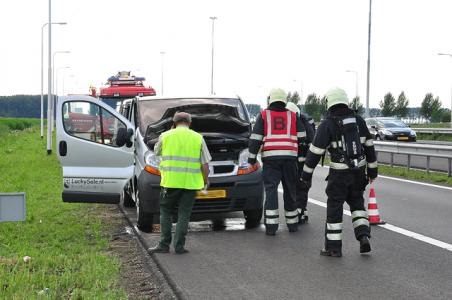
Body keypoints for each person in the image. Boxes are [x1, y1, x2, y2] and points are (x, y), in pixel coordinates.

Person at [300, 87, 378, 257]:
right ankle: (363, 235)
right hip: (358, 172)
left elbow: (315, 152)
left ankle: (333, 248)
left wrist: (305, 175)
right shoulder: (359, 121)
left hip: (339, 175)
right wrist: (372, 172)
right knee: (358, 205)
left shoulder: (328, 123)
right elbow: (369, 147)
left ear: (329, 103)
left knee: (335, 208)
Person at [149, 112, 211, 254]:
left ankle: (164, 245)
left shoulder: (165, 136)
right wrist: (206, 180)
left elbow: (156, 152)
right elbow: (205, 165)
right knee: (184, 214)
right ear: (190, 123)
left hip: (170, 182)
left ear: (174, 122)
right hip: (190, 184)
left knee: (166, 212)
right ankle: (179, 247)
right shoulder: (198, 138)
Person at [248, 88, 306, 235]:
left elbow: (255, 139)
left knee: (271, 191)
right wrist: (300, 159)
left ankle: (271, 227)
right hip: (290, 159)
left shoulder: (264, 115)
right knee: (290, 190)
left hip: (271, 160)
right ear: (284, 100)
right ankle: (292, 225)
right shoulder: (293, 116)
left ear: (270, 99)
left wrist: (251, 158)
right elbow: (302, 136)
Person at [285, 102, 316, 224]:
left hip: (298, 161)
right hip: (306, 162)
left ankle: (299, 211)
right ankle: (303, 211)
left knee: (299, 187)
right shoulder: (306, 123)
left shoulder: (298, 124)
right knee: (303, 187)